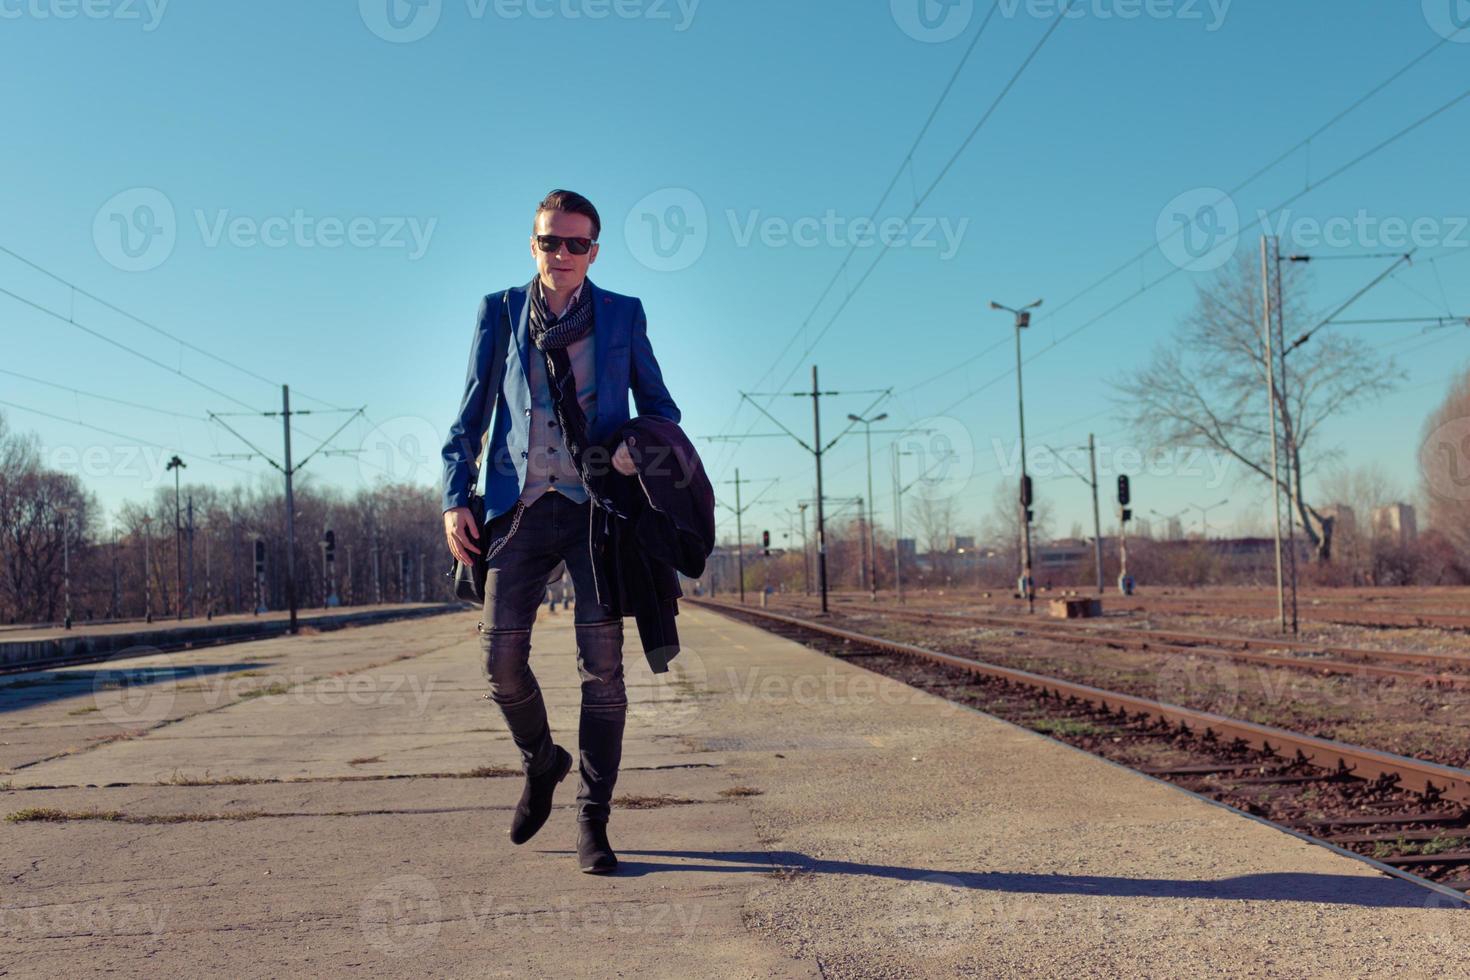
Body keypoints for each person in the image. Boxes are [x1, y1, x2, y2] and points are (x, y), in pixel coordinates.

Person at [440, 189, 681, 875]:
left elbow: (661, 407)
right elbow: (467, 422)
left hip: (597, 511)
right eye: (552, 241)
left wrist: (637, 446)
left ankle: (592, 820)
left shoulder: (623, 316)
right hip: (519, 506)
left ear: (594, 250)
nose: (564, 253)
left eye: (578, 243)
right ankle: (542, 761)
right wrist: (456, 498)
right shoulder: (500, 312)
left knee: (602, 670)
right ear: (534, 245)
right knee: (499, 660)